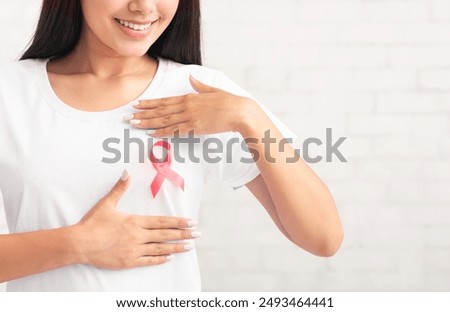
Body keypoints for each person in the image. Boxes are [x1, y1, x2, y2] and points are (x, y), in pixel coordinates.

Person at [0, 0, 343, 291]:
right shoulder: (11, 93)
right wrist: (80, 244)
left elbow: (323, 237)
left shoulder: (198, 92)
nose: (143, 7)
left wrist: (249, 116)